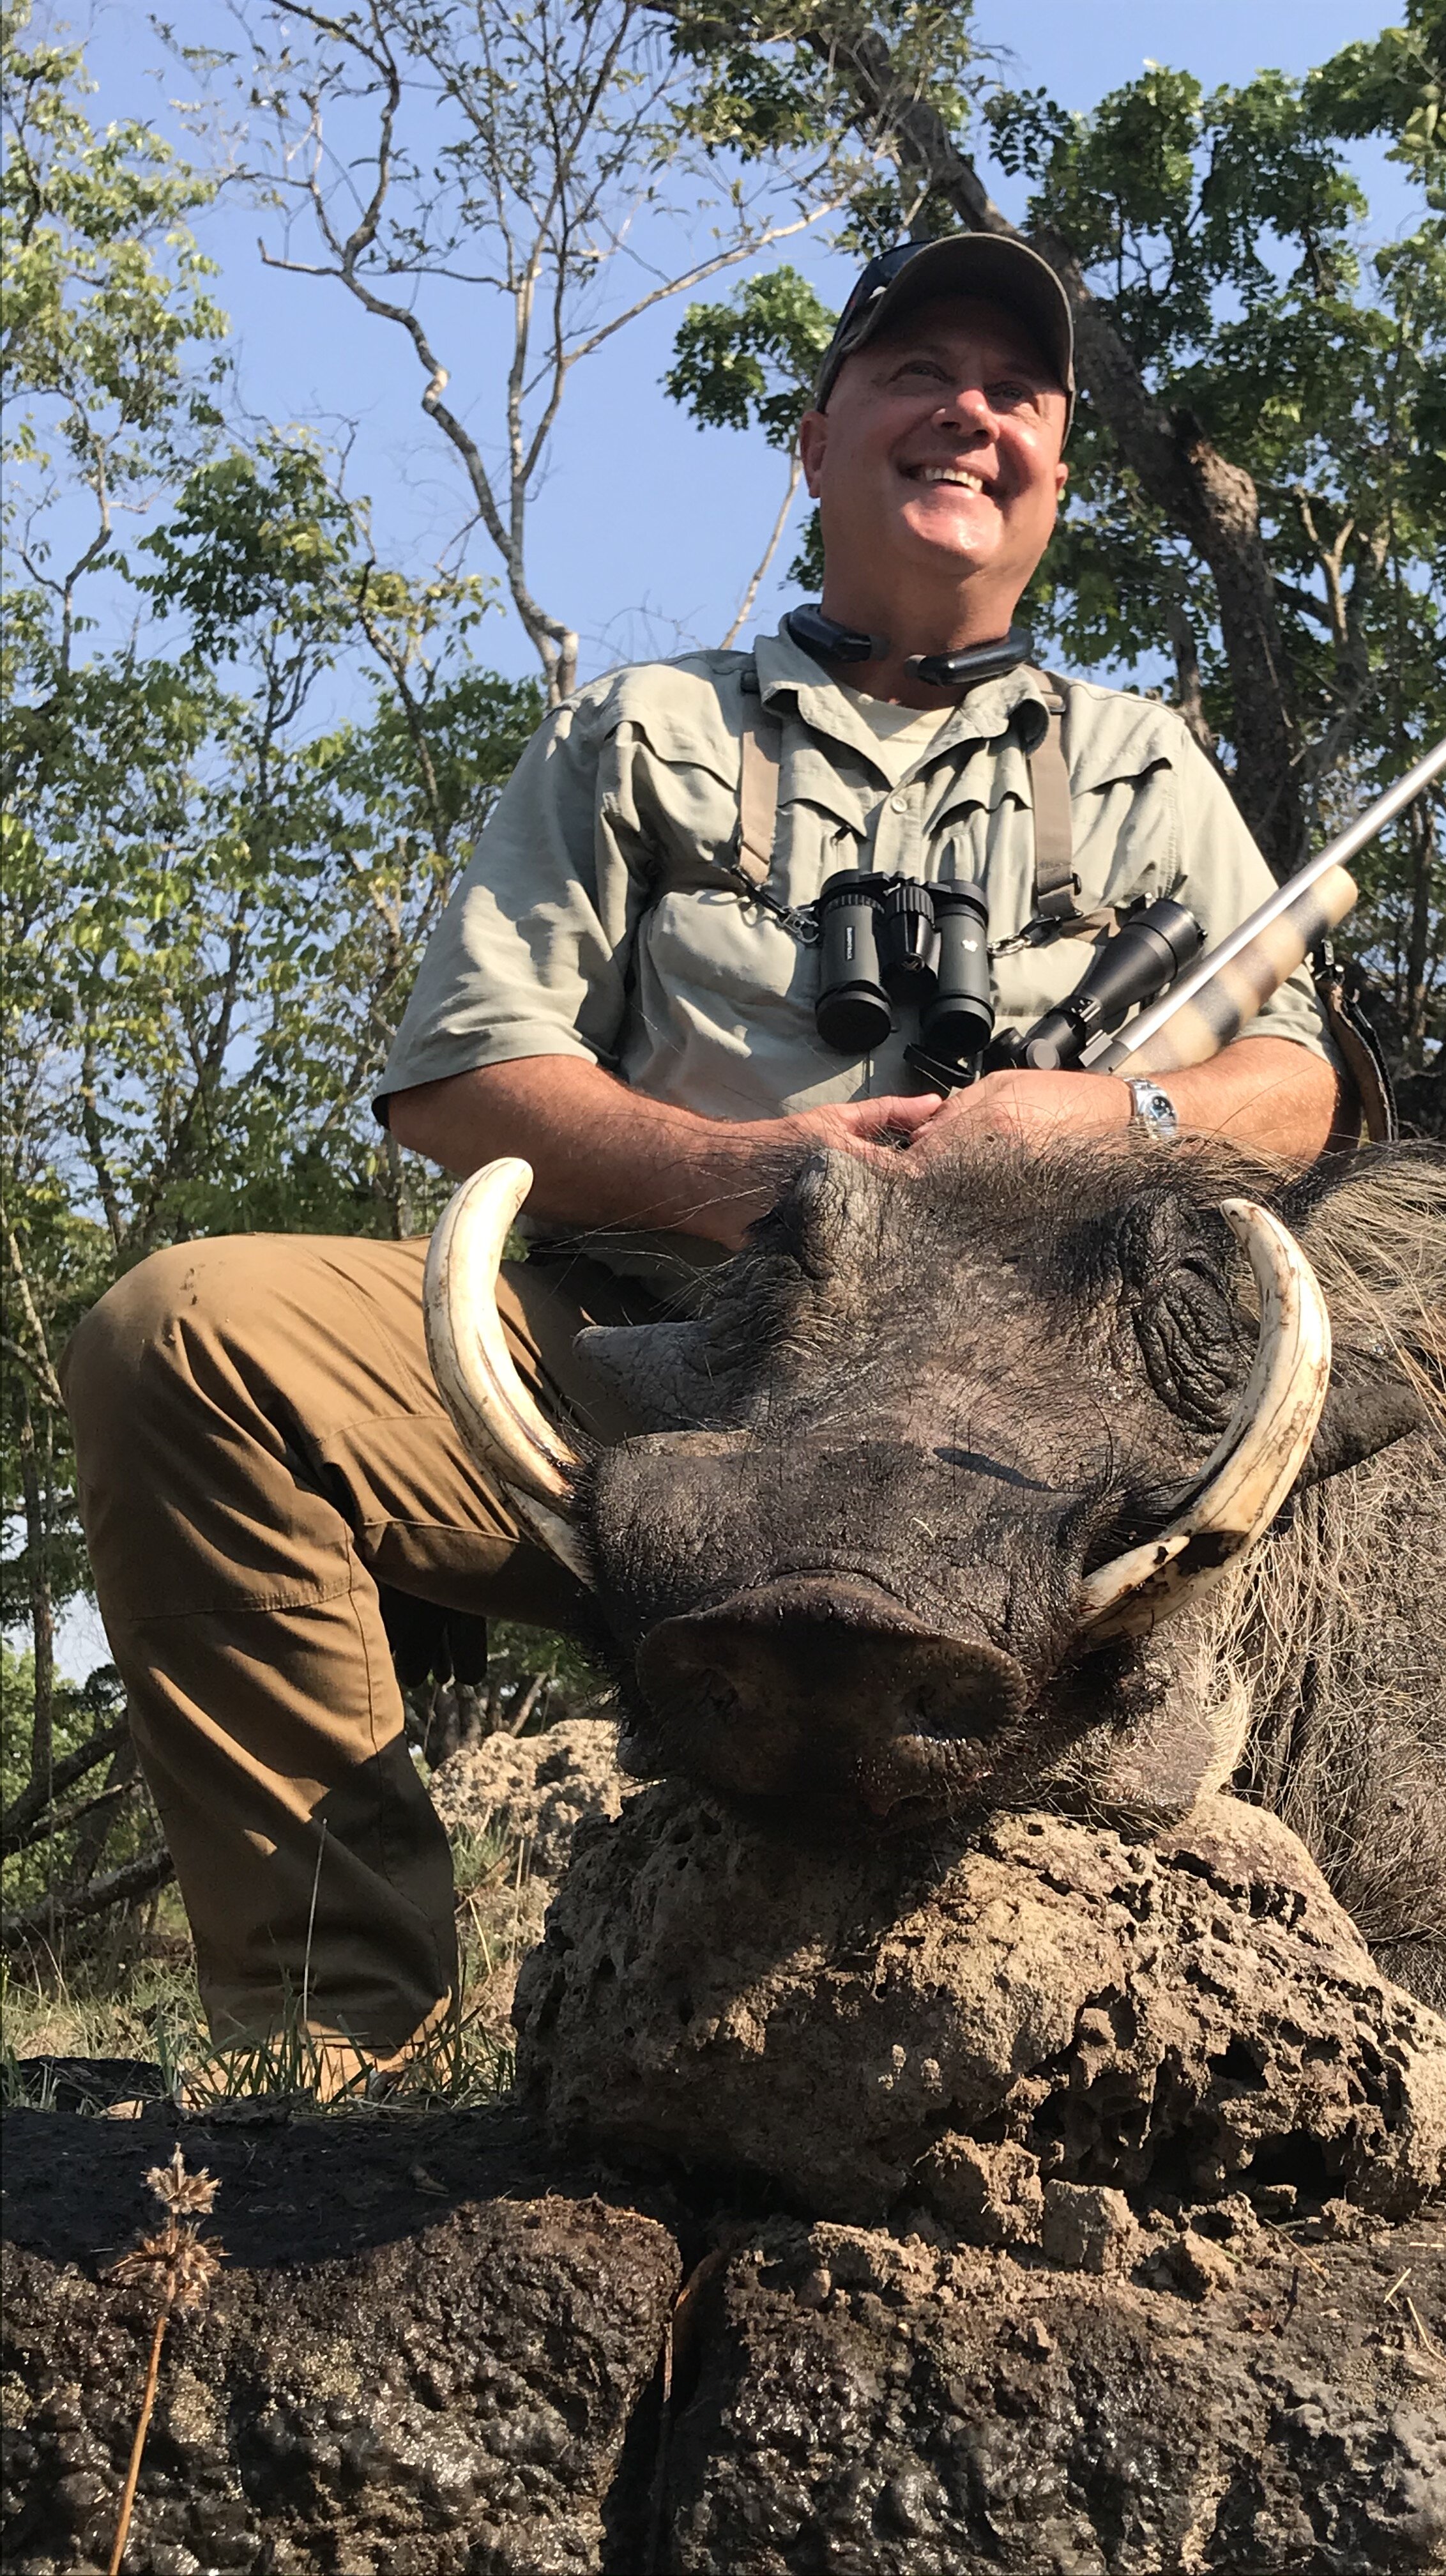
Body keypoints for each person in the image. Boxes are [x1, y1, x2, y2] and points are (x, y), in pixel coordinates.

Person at [60, 235, 1346, 2080]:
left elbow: (1296, 1087)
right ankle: (337, 2033)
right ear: (816, 442)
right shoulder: (648, 730)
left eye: (1019, 394)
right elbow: (461, 1079)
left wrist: (1113, 1116)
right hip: (664, 1363)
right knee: (188, 1332)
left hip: (1030, 1420)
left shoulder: (1142, 767)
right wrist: (735, 1173)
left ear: (1055, 473)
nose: (970, 414)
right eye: (919, 374)